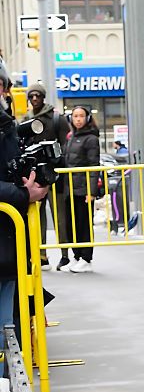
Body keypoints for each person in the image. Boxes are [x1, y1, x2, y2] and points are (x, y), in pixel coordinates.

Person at [0, 102, 48, 364]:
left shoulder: (8, 124)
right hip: (8, 241)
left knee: (7, 326)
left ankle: (7, 381)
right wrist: (22, 194)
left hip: (9, 247)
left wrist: (33, 182)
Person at [26, 82, 71, 270]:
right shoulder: (26, 119)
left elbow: (66, 144)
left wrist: (59, 161)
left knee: (60, 215)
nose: (35, 99)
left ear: (43, 97)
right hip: (36, 174)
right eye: (31, 96)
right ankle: (41, 255)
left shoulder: (56, 118)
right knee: (37, 216)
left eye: (38, 95)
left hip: (56, 172)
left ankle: (65, 255)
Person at [60, 104, 99, 273]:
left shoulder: (91, 139)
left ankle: (86, 258)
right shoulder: (70, 137)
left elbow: (94, 166)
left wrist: (91, 192)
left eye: (81, 116)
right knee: (72, 225)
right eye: (75, 116)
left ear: (87, 118)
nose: (78, 119)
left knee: (84, 224)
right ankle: (76, 256)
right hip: (70, 189)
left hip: (83, 190)